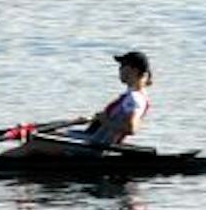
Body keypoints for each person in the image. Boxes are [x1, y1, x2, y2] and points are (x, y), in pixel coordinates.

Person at [19, 51, 153, 153]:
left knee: (34, 143)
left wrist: (104, 120)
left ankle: (1, 165)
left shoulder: (134, 98)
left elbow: (131, 129)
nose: (120, 69)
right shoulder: (133, 96)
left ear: (134, 70)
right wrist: (93, 120)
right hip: (94, 139)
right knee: (43, 136)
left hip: (94, 145)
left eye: (123, 65)